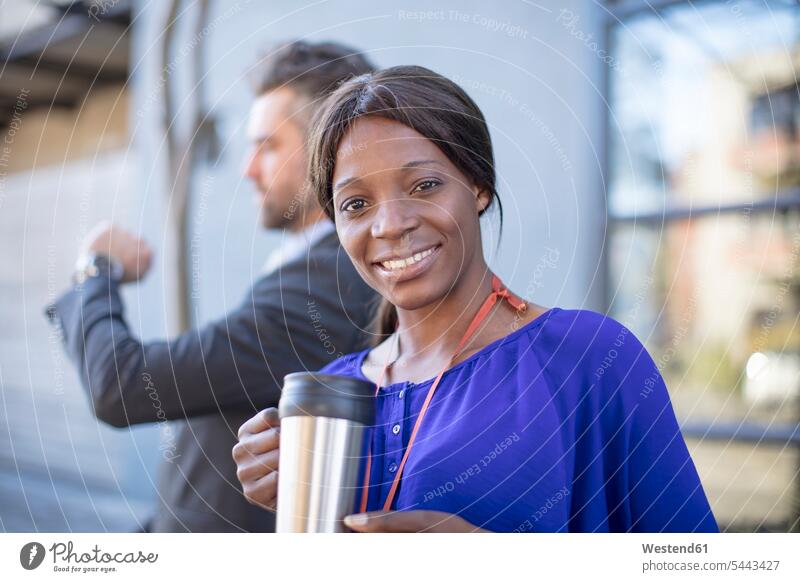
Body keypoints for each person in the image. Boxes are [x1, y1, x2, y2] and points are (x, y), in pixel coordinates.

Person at [232, 65, 719, 533]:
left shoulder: (585, 357)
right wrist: (283, 489)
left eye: (424, 185)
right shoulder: (331, 395)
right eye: (356, 204)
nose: (390, 224)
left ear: (478, 186)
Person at [45, 41, 378, 532]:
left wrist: (95, 271)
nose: (247, 169)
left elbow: (122, 386)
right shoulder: (312, 271)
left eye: (267, 145)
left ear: (328, 149)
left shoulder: (324, 289)